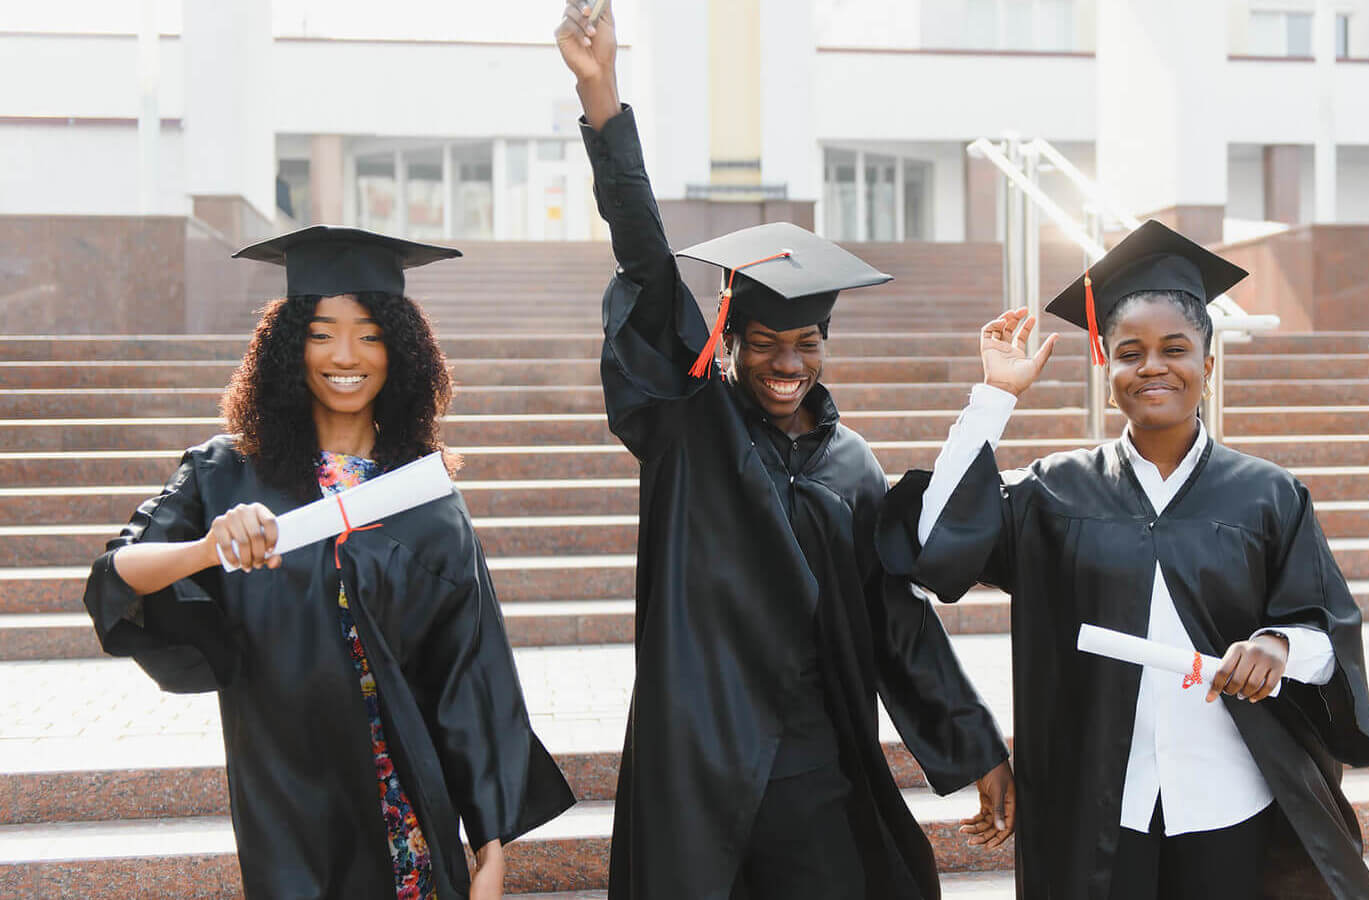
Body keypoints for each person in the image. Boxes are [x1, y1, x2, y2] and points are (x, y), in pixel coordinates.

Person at [555, 4, 1014, 898]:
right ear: (728, 338)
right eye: (765, 341)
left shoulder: (849, 464)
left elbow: (897, 621)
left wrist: (975, 746)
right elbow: (649, 271)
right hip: (701, 756)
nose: (786, 363)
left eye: (806, 343)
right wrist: (603, 97)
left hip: (813, 755)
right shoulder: (692, 430)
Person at [876, 221, 1369, 898]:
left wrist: (1278, 646)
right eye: (1130, 352)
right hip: (1096, 802)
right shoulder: (1053, 492)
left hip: (1228, 796)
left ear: (1208, 363)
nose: (1152, 366)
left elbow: (1329, 633)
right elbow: (934, 548)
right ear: (1106, 367)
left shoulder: (1266, 494)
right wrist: (994, 397)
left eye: (1175, 348)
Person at [82, 226, 575, 900]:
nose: (346, 355)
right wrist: (210, 546)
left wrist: (490, 849)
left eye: (370, 333)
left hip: (402, 804)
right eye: (321, 332)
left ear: (401, 351)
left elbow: (471, 671)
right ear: (288, 348)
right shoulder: (227, 475)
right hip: (288, 796)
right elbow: (117, 575)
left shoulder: (423, 499)